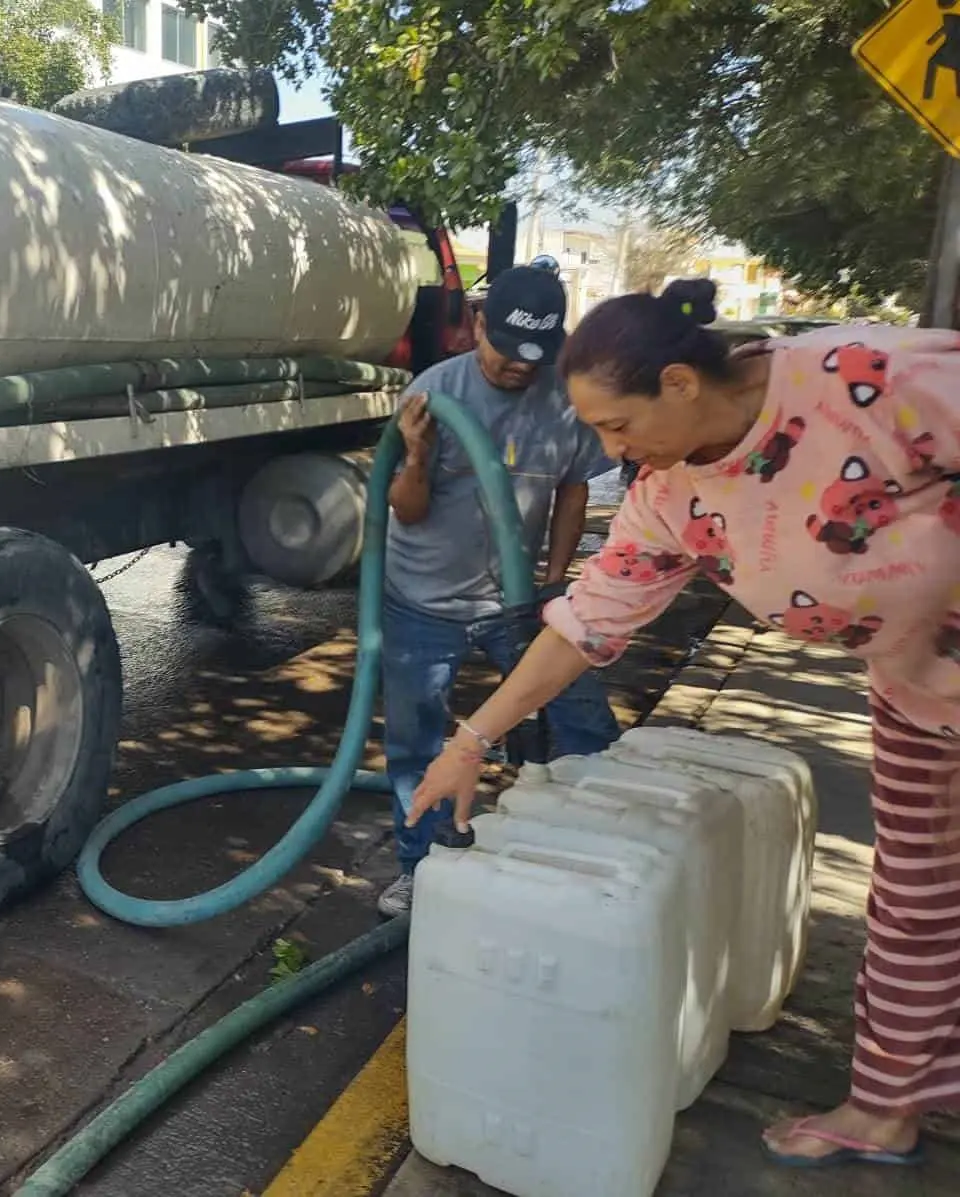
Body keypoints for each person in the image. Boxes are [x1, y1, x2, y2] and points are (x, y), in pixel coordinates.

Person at [407, 278, 960, 1168]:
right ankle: (885, 1106)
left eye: (616, 426)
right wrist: (471, 740)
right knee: (915, 904)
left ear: (679, 383)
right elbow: (587, 623)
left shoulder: (864, 377)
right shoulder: (671, 496)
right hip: (918, 693)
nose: (607, 447)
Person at [376, 264, 622, 918]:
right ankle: (420, 869)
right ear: (479, 322)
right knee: (416, 744)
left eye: (533, 357)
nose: (518, 368)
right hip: (421, 602)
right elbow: (406, 507)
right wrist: (419, 456)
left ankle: (593, 857)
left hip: (516, 605)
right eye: (506, 349)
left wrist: (554, 584)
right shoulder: (435, 390)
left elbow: (573, 490)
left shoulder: (565, 400)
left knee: (583, 721)